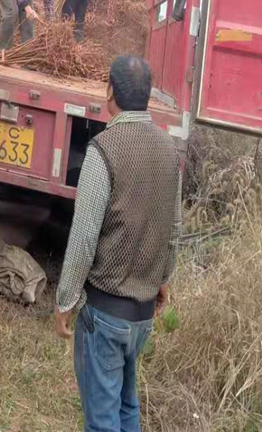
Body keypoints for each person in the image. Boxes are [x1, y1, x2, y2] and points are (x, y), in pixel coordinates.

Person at [55, 55, 181, 432]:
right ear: (148, 96)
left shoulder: (103, 150)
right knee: (127, 408)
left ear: (109, 90)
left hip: (106, 316)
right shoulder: (169, 152)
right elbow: (173, 230)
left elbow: (83, 238)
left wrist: (66, 300)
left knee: (103, 421)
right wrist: (163, 280)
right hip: (141, 317)